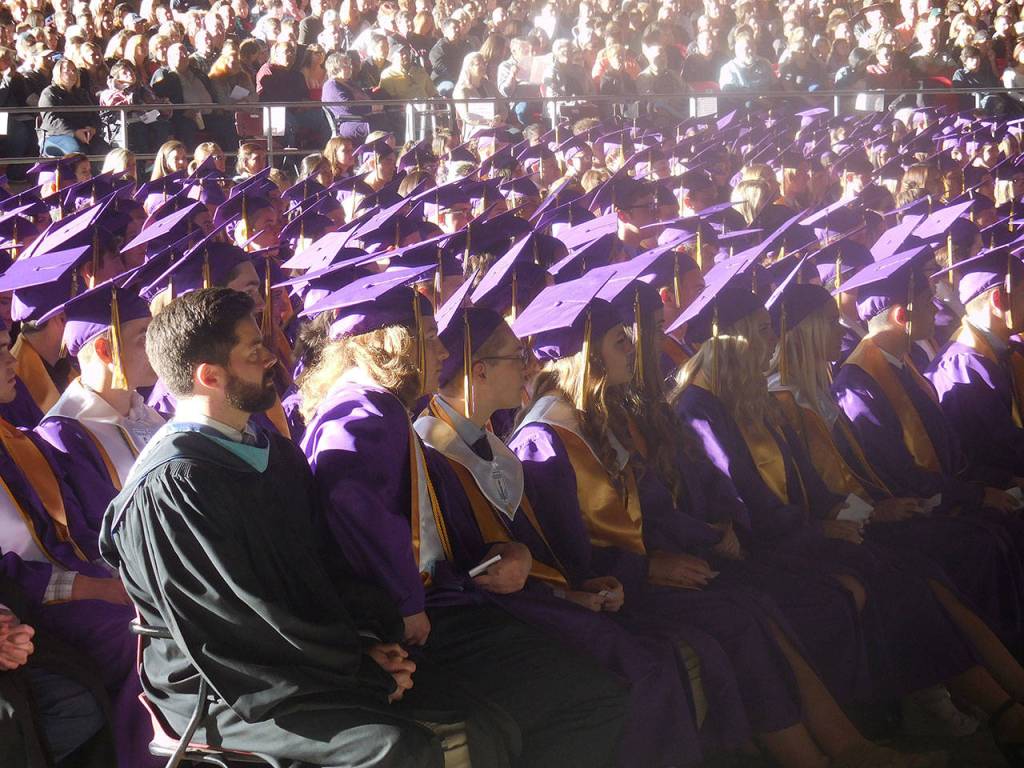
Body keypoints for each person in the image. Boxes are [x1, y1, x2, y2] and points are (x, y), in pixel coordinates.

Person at [99, 287, 465, 768]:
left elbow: (323, 567)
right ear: (210, 376)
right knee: (397, 750)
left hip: (304, 657)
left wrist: (373, 638)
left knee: (482, 707)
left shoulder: (272, 453)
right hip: (224, 687)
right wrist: (358, 667)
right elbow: (236, 622)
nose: (272, 357)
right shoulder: (172, 487)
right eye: (254, 351)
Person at [299, 272, 629, 768]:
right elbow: (359, 514)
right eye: (430, 338)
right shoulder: (364, 413)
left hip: (431, 603)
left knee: (579, 677)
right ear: (394, 344)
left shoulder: (373, 408)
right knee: (590, 695)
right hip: (408, 622)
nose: (441, 352)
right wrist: (407, 604)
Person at [38, 58, 106, 156]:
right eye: (68, 71)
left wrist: (92, 128)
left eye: (74, 70)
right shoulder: (49, 93)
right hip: (57, 135)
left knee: (106, 152)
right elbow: (51, 120)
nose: (73, 73)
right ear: (58, 73)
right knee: (78, 153)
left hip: (85, 134)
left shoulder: (82, 93)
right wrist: (74, 132)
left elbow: (94, 115)